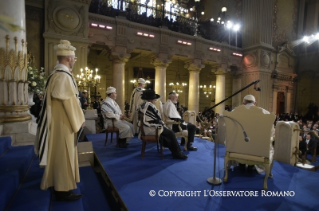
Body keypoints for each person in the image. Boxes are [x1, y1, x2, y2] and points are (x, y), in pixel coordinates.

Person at [34, 40, 85, 201]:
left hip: (58, 122)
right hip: (64, 123)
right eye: (74, 59)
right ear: (69, 58)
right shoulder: (63, 76)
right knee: (64, 155)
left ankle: (58, 184)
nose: (74, 61)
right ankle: (62, 190)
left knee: (59, 154)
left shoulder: (55, 74)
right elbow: (69, 101)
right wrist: (79, 120)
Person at [139, 89, 188, 159]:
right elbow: (151, 119)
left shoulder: (145, 105)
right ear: (151, 99)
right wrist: (161, 122)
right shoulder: (149, 106)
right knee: (171, 133)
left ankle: (176, 152)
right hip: (151, 128)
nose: (156, 100)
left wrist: (160, 122)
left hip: (148, 127)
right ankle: (177, 153)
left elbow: (152, 118)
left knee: (169, 133)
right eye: (155, 99)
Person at [238, 94, 274, 173]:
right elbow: (271, 131)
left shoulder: (235, 112)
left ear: (243, 103)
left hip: (238, 148)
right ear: (255, 103)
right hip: (257, 149)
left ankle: (241, 163)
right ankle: (252, 165)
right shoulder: (265, 113)